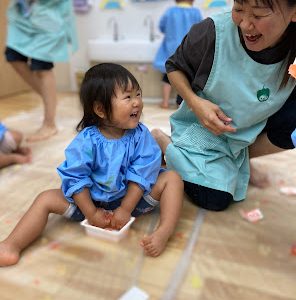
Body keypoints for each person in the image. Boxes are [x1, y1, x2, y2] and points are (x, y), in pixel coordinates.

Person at [0, 63, 184, 266]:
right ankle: (11, 244)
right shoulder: (87, 141)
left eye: (138, 94)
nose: (137, 103)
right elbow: (76, 177)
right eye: (128, 97)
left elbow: (142, 173)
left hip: (133, 202)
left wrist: (124, 209)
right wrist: (91, 213)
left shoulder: (140, 136)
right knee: (45, 199)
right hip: (90, 204)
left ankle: (164, 231)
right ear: (100, 109)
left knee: (172, 178)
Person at [152, 0, 296, 211]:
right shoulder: (212, 32)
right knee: (214, 198)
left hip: (250, 125)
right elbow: (174, 67)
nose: (245, 24)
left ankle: (240, 158)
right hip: (202, 128)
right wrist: (196, 103)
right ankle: (165, 142)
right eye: (238, 9)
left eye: (258, 15)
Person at [5, 0, 78, 142]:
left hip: (48, 17)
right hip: (23, 16)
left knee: (41, 67)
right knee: (13, 55)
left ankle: (49, 124)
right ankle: (50, 98)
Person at [153, 0, 202, 109]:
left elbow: (161, 26)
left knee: (168, 74)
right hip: (188, 48)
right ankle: (181, 104)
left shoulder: (170, 11)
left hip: (171, 48)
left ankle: (165, 102)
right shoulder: (196, 12)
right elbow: (200, 29)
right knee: (186, 77)